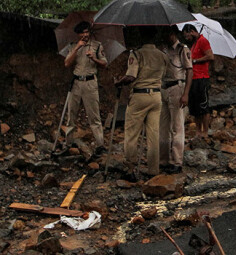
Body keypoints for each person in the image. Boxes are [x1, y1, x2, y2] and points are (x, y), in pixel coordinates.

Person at [114, 27, 168, 180]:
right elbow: (164, 75)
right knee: (153, 135)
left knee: (131, 134)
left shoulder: (136, 54)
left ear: (141, 37)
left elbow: (131, 76)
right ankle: (153, 170)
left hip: (139, 95)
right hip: (156, 96)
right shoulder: (162, 56)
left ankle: (130, 169)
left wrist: (119, 82)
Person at [63, 21, 107, 154]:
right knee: (71, 115)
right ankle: (68, 143)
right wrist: (77, 48)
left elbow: (104, 64)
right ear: (78, 34)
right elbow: (67, 64)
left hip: (90, 83)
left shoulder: (97, 45)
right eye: (82, 32)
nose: (85, 35)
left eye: (87, 32)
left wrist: (94, 58)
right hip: (76, 82)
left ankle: (100, 145)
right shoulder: (72, 46)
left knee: (94, 116)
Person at [159, 27, 192, 174]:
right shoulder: (163, 49)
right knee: (163, 126)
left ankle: (177, 161)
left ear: (173, 34)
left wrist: (186, 93)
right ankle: (164, 159)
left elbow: (189, 70)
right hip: (164, 87)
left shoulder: (182, 49)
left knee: (177, 126)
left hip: (177, 86)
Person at [182, 24, 213, 139]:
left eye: (187, 35)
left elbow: (210, 56)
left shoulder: (203, 41)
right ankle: (198, 131)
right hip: (193, 79)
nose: (186, 38)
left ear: (192, 31)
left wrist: (194, 61)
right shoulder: (194, 44)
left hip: (202, 78)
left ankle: (205, 131)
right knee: (195, 108)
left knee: (203, 106)